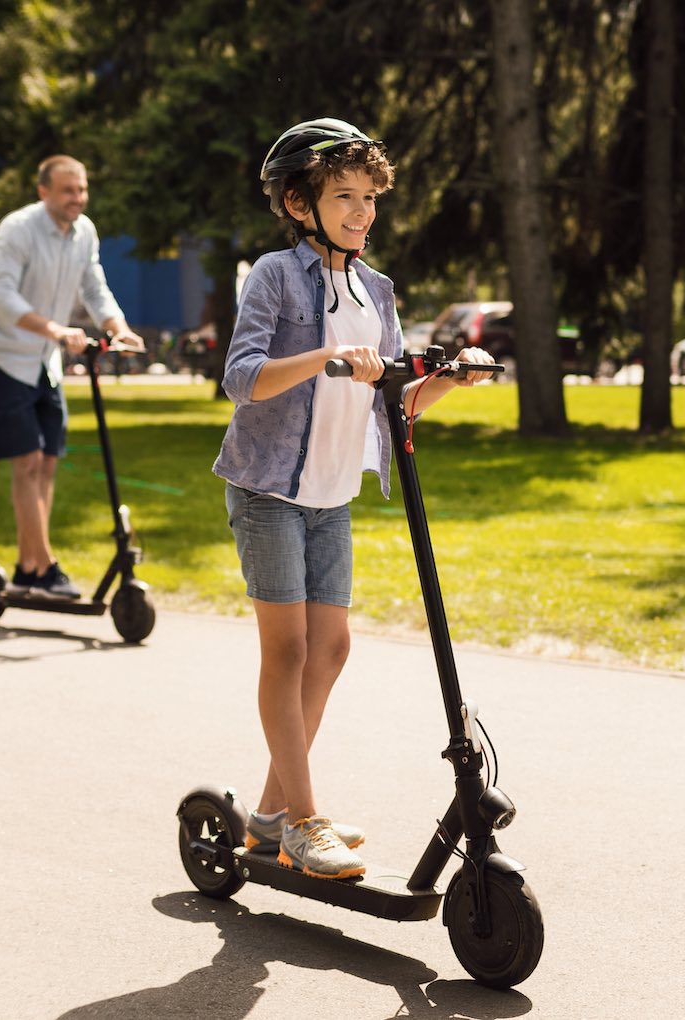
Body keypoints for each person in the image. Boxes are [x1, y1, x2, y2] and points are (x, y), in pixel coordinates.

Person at [212, 119, 494, 879]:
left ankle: (270, 818)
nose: (363, 210)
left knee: (331, 649)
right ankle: (304, 821)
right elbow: (242, 378)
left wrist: (450, 379)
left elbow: (391, 400)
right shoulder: (273, 275)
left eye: (369, 196)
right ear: (301, 203)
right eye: (345, 195)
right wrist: (328, 356)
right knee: (291, 649)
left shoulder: (376, 289)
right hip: (269, 488)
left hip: (331, 494)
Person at [0, 154, 144, 600]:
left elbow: (93, 284)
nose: (77, 198)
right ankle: (44, 566)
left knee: (47, 463)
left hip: (45, 359)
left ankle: (28, 569)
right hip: (6, 354)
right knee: (26, 461)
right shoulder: (18, 230)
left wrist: (117, 327)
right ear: (43, 190)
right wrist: (54, 329)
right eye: (68, 190)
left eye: (82, 189)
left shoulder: (83, 231)